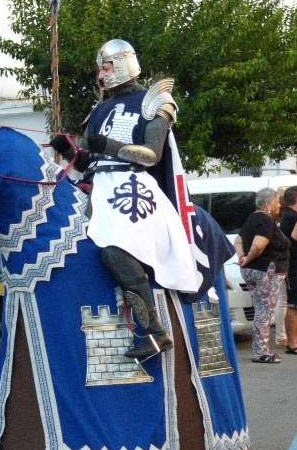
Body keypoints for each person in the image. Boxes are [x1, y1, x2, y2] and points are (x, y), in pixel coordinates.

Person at [50, 39, 197, 359]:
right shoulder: (99, 109)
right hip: (99, 188)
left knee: (115, 250)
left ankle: (154, 332)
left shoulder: (155, 100)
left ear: (123, 65)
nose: (101, 75)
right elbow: (88, 163)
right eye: (100, 69)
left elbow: (151, 155)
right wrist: (68, 150)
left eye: (106, 68)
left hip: (133, 185)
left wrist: (109, 145)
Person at [235, 188, 289, 363]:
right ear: (268, 204)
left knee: (260, 309)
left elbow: (238, 240)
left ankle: (260, 349)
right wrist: (248, 258)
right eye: (277, 202)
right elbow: (259, 246)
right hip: (267, 271)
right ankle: (261, 352)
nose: (279, 205)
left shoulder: (251, 218)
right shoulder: (266, 220)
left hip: (252, 271)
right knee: (265, 311)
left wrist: (242, 257)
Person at [281, 186, 297, 354]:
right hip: (294, 266)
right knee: (294, 305)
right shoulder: (293, 217)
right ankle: (293, 343)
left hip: (292, 265)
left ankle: (295, 340)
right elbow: (295, 237)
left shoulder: (288, 215)